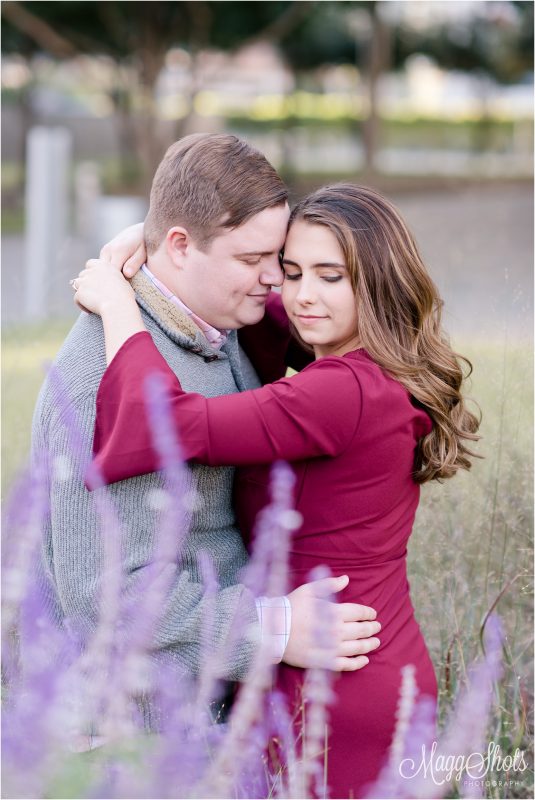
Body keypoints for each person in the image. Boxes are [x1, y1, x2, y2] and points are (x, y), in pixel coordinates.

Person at [73, 182, 480, 797]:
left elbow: (171, 424)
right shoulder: (374, 361)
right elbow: (255, 303)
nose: (302, 294)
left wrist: (118, 306)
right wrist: (160, 244)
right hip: (361, 661)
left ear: (374, 281)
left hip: (335, 685)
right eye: (291, 271)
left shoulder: (341, 390)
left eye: (330, 275)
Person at [31, 135, 380, 744]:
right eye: (254, 259)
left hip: (214, 717)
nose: (276, 279)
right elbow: (107, 599)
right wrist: (274, 628)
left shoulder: (220, 319)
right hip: (133, 742)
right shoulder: (99, 383)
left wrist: (139, 236)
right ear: (181, 247)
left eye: (277, 254)